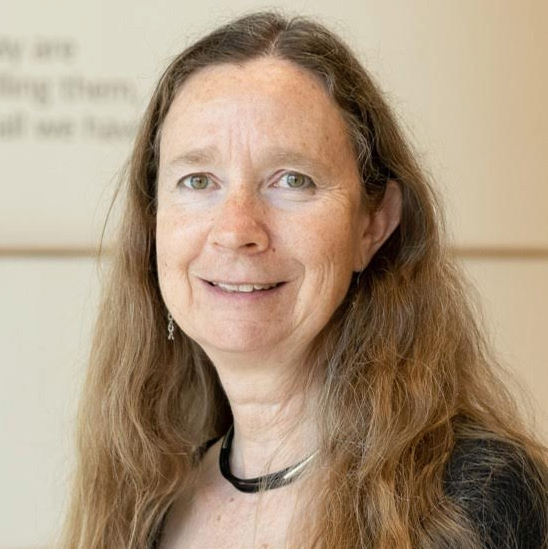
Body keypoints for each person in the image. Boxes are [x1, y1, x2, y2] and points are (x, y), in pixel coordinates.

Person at [60, 12, 548, 549]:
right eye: (198, 180)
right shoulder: (143, 508)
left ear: (373, 224)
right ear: (154, 223)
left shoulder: (477, 501)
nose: (236, 230)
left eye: (292, 180)